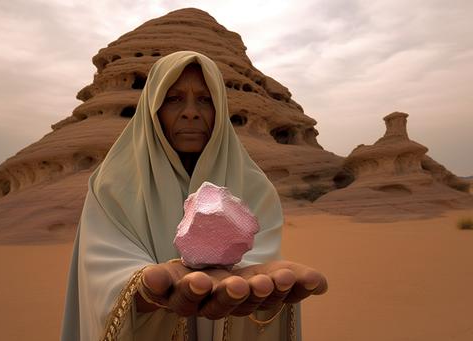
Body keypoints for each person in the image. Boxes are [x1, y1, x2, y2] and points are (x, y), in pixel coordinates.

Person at [61, 51, 327, 341]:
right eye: (174, 99)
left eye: (204, 99)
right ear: (154, 108)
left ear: (220, 109)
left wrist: (244, 283)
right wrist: (146, 292)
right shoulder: (110, 186)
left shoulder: (254, 188)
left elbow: (261, 266)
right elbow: (102, 276)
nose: (191, 112)